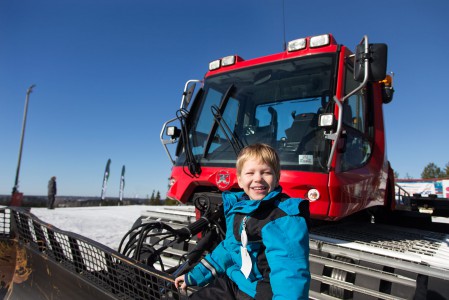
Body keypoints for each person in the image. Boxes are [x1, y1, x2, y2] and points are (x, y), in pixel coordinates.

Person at [175, 143, 310, 299]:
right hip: (234, 282)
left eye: (266, 172)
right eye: (250, 173)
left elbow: (290, 275)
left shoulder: (282, 219)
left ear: (277, 177)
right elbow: (228, 249)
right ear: (239, 180)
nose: (258, 178)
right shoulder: (241, 209)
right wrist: (193, 276)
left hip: (260, 292)